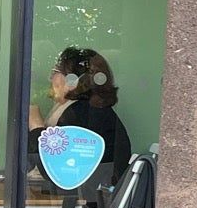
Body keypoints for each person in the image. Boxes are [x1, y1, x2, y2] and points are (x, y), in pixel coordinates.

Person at [28, 46, 132, 185]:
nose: (51, 78)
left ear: (71, 81)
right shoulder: (91, 111)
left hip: (89, 202)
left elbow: (56, 171)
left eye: (55, 72)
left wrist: (36, 125)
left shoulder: (80, 114)